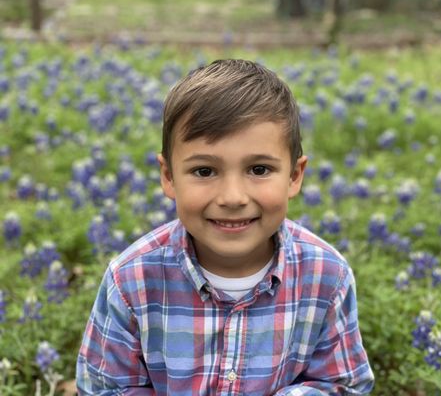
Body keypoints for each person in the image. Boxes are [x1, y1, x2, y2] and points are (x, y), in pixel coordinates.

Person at [76, 59, 374, 395]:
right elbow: (106, 388)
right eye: (205, 171)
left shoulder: (326, 276)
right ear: (168, 176)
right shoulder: (131, 279)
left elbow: (341, 384)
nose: (233, 197)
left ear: (294, 175)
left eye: (259, 169)